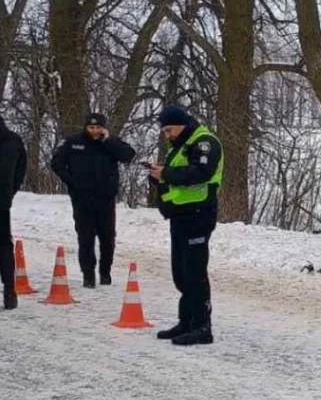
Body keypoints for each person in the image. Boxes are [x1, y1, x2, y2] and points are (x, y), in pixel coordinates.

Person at [148, 105, 222, 346]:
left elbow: (200, 172)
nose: (167, 135)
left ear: (181, 124)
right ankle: (187, 321)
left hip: (198, 214)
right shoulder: (180, 145)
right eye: (164, 131)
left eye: (169, 129)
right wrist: (158, 175)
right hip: (181, 215)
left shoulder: (204, 142)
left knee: (195, 272)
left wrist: (167, 174)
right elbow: (177, 175)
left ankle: (202, 327)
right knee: (181, 273)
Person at [50, 112, 136, 287]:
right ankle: (88, 275)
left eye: (98, 128)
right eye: (91, 127)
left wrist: (108, 141)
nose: (94, 131)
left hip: (106, 198)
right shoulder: (73, 142)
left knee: (107, 237)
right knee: (86, 237)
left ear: (103, 128)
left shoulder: (110, 142)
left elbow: (128, 156)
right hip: (82, 198)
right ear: (85, 127)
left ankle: (105, 273)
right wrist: (71, 181)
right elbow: (56, 163)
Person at [0, 117, 27, 309]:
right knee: (3, 246)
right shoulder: (13, 140)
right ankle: (10, 292)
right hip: (1, 201)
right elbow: (21, 171)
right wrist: (9, 192)